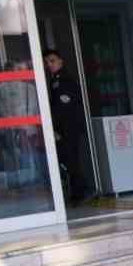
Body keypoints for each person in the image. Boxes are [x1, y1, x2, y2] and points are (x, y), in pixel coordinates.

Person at [42, 50, 93, 204]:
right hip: (66, 127)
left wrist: (56, 129)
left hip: (69, 127)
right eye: (47, 62)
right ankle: (78, 190)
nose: (49, 64)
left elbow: (63, 107)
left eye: (52, 61)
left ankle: (81, 191)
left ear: (61, 61)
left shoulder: (64, 79)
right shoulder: (55, 80)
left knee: (72, 159)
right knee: (69, 159)